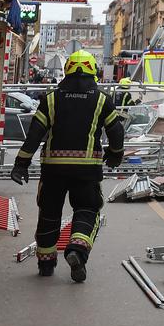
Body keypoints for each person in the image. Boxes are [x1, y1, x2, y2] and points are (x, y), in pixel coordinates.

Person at [10, 50, 125, 281]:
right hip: (87, 171)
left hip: (53, 170)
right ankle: (76, 251)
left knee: (49, 213)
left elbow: (35, 134)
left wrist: (21, 164)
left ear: (67, 70)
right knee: (87, 210)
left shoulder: (51, 99)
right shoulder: (102, 99)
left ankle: (45, 263)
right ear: (93, 70)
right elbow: (116, 130)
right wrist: (115, 155)